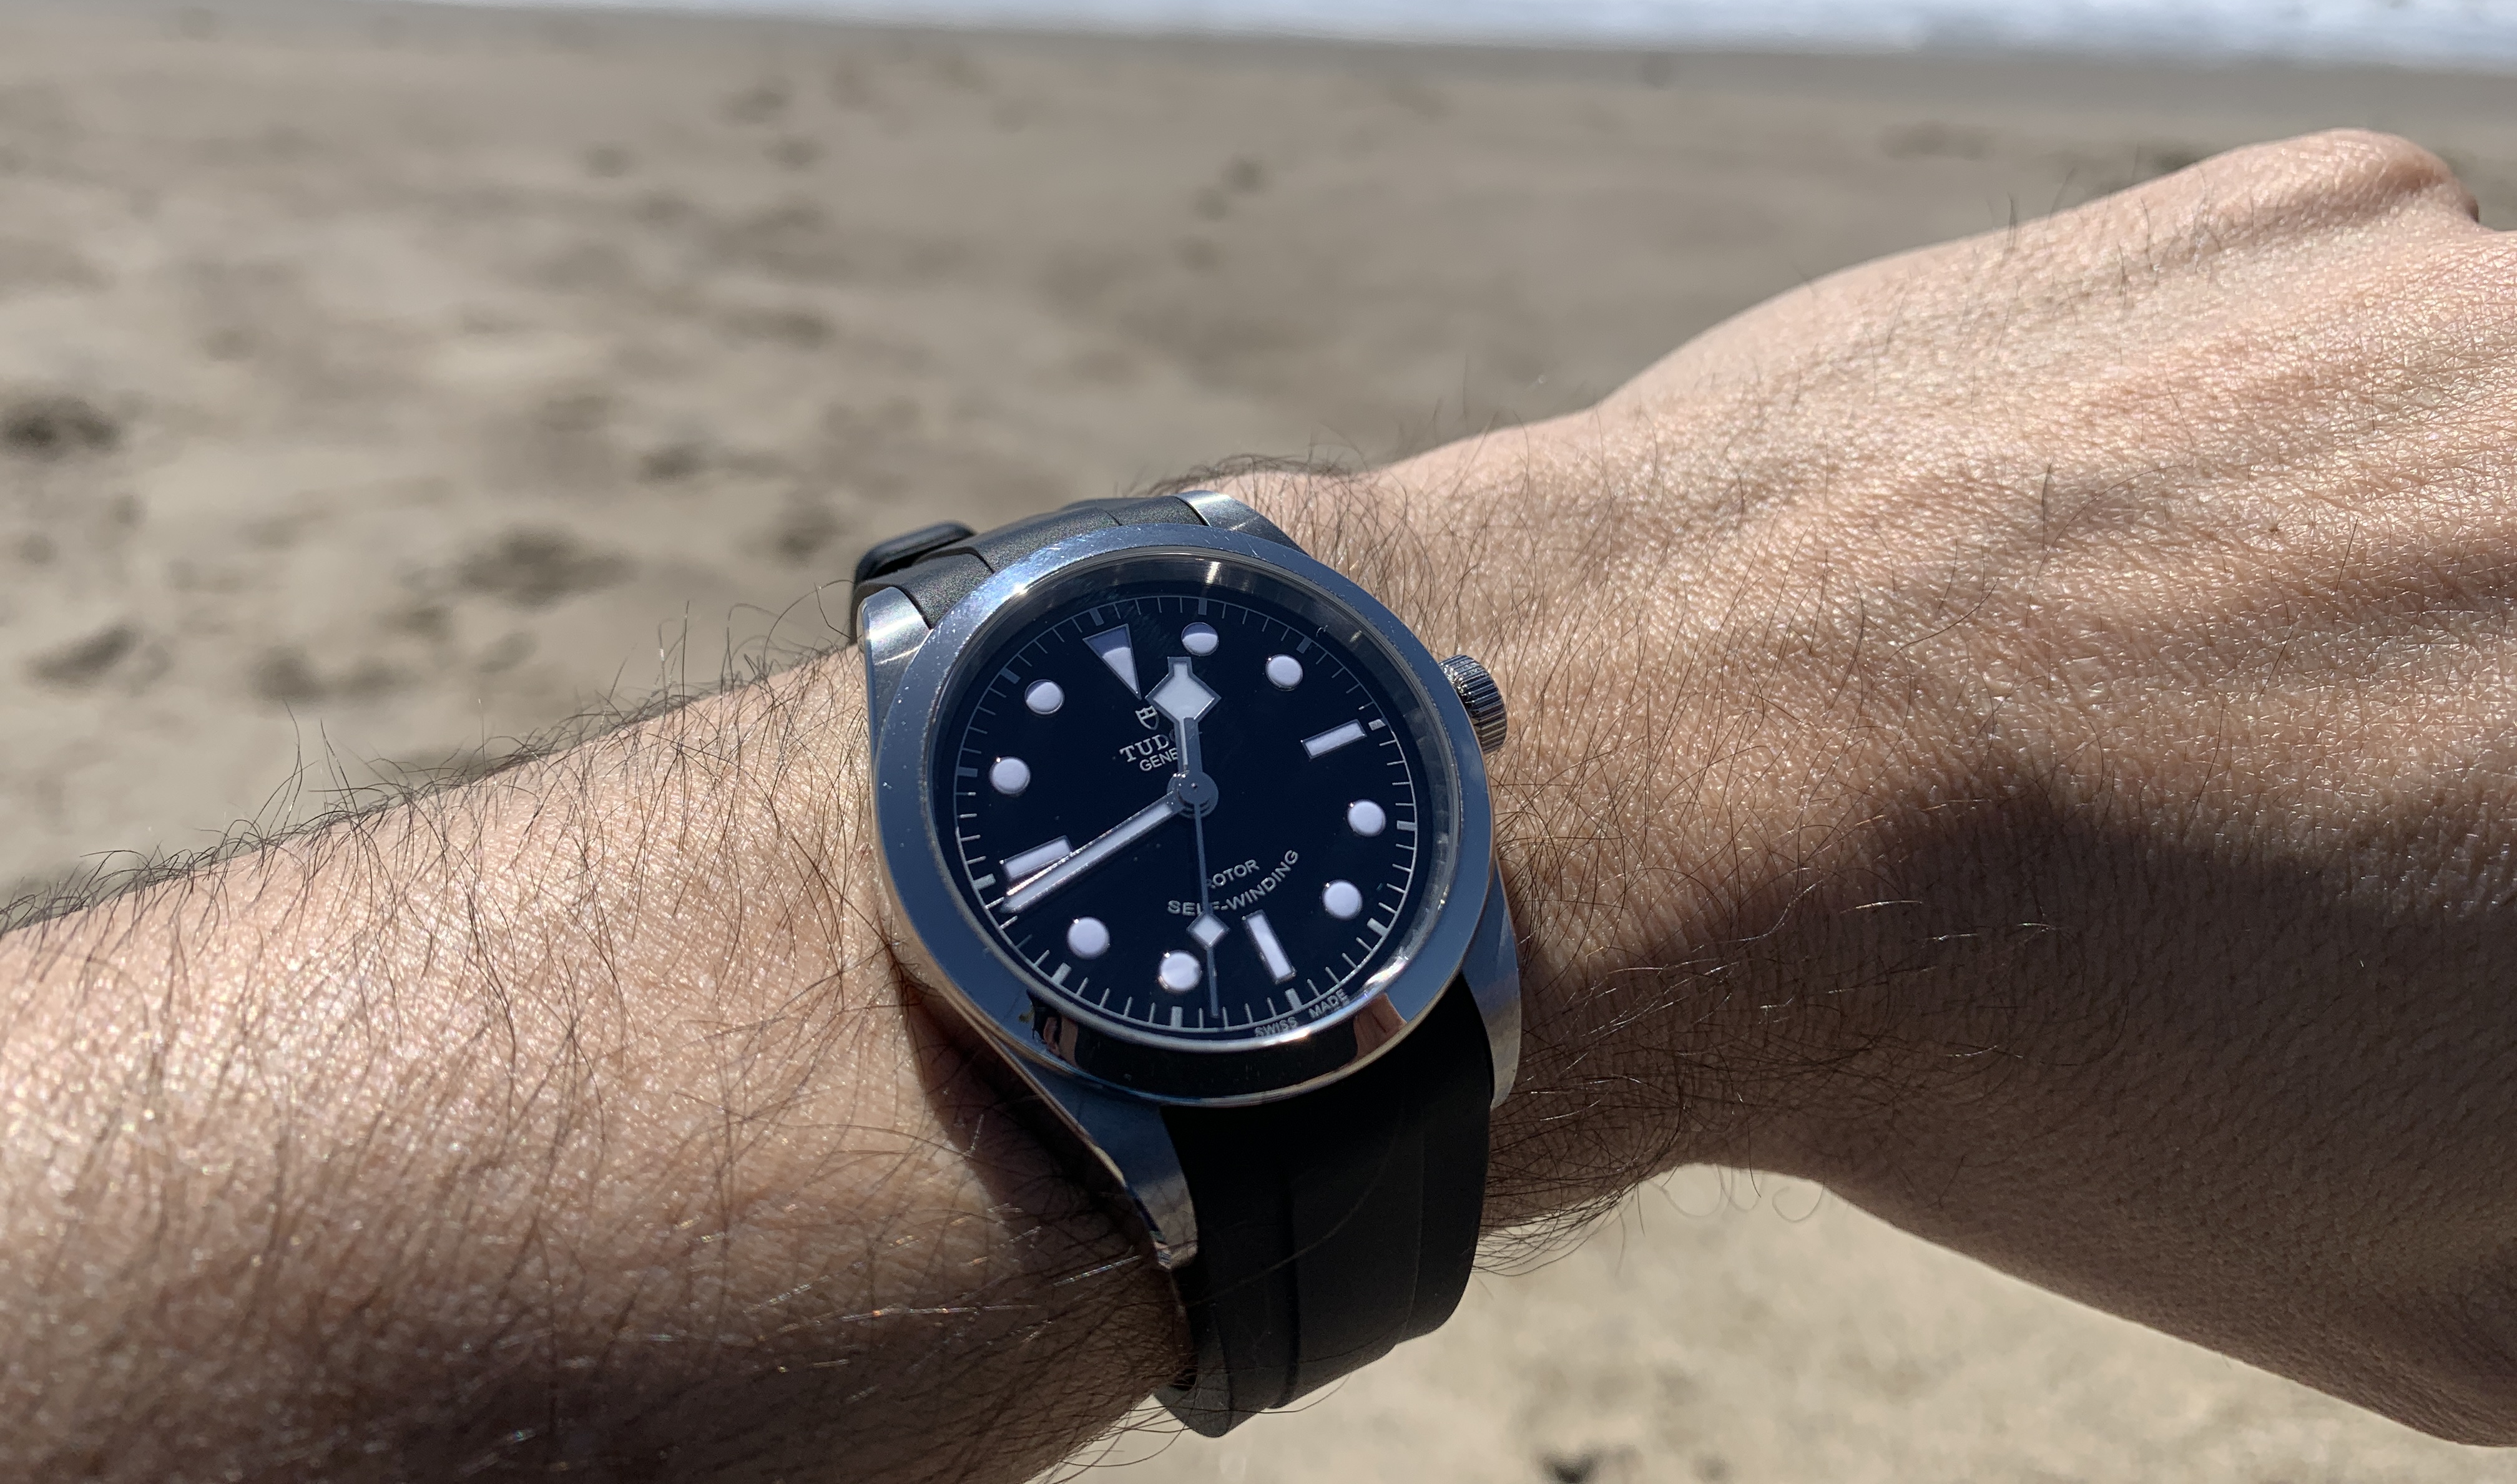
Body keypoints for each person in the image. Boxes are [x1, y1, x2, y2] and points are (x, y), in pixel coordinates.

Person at [2, 129, 2513, 1482]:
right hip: (1186, 1017)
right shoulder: (1021, 782)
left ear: (1446, 707)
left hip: (1310, 981)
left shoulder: (1350, 791)